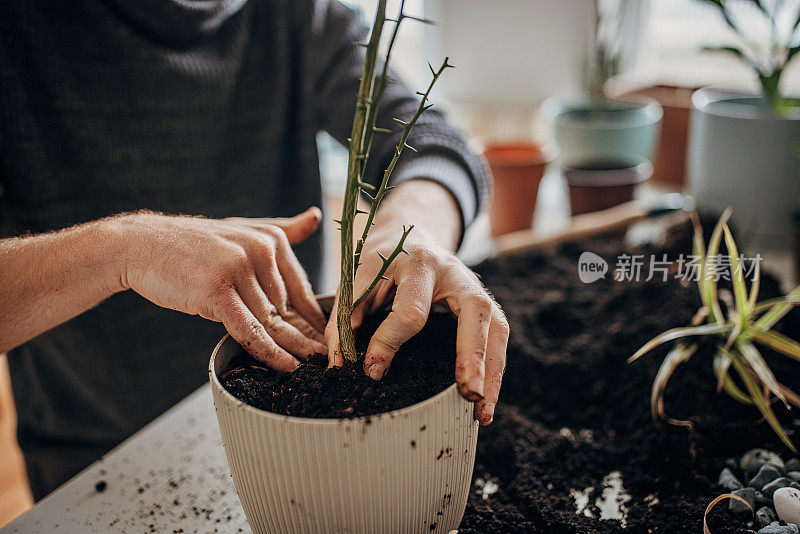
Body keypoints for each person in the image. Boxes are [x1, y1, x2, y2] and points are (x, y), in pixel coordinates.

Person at [0, 0, 509, 500]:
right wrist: (122, 249)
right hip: (97, 468)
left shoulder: (296, 13)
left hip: (308, 462)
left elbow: (436, 142)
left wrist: (411, 230)